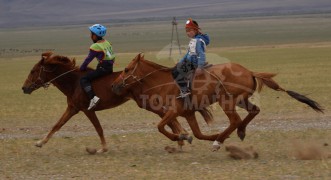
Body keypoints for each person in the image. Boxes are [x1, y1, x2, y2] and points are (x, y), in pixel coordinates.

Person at [80, 24, 116, 110]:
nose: (90, 36)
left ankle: (93, 98)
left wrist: (82, 68)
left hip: (102, 69)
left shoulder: (95, 46)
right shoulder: (107, 42)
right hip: (110, 68)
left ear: (95, 36)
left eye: (91, 34)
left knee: (84, 79)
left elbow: (88, 60)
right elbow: (113, 57)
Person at [172, 18, 210, 98]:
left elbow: (201, 54)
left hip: (194, 63)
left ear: (195, 30)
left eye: (190, 31)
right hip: (189, 61)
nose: (188, 33)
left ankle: (185, 90)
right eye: (187, 31)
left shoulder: (198, 41)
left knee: (175, 72)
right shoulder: (193, 40)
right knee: (175, 68)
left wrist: (200, 67)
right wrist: (180, 62)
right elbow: (188, 54)